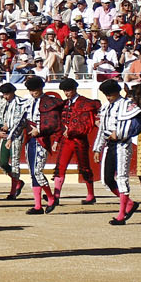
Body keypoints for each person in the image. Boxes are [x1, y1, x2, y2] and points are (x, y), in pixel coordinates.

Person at [94, 79, 141, 225]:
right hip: (110, 145)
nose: (108, 97)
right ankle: (130, 203)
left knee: (122, 178)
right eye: (106, 94)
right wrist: (98, 148)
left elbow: (137, 125)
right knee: (107, 179)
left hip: (123, 145)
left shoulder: (128, 105)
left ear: (117, 92)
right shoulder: (106, 107)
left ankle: (121, 215)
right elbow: (102, 130)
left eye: (110, 94)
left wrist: (120, 134)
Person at [10, 75, 61, 214]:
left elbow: (53, 123)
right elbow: (21, 121)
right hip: (30, 140)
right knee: (33, 172)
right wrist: (11, 137)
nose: (33, 93)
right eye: (31, 90)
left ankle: (50, 198)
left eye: (35, 90)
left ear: (41, 88)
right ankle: (38, 206)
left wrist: (39, 130)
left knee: (38, 171)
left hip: (42, 140)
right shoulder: (28, 102)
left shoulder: (49, 102)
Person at [50, 77, 101, 205]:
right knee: (60, 167)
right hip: (66, 140)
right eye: (64, 91)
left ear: (74, 89)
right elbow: (61, 124)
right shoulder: (65, 104)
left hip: (79, 140)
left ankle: (90, 195)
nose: (66, 93)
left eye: (68, 90)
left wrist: (72, 130)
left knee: (84, 167)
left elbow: (87, 121)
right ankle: (56, 196)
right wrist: (56, 140)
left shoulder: (85, 103)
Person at [0, 81, 24, 200]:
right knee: (2, 163)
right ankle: (18, 182)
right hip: (4, 136)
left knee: (15, 163)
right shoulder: (1, 102)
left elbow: (19, 122)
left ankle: (13, 191)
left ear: (13, 93)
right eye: (3, 94)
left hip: (16, 136)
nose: (5, 97)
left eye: (7, 94)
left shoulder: (20, 103)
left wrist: (9, 131)